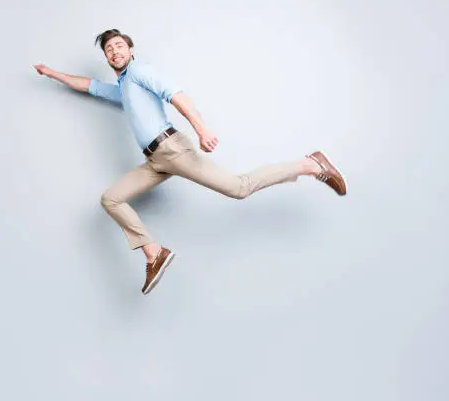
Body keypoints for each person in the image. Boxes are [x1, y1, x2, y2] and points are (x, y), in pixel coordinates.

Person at [33, 29, 347, 295]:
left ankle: (311, 164)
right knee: (111, 199)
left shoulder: (140, 72)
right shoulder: (123, 88)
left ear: (130, 50)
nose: (114, 51)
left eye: (119, 45)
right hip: (156, 160)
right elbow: (87, 85)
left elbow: (176, 95)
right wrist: (51, 74)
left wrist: (201, 129)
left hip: (172, 149)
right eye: (109, 49)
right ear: (107, 58)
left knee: (239, 188)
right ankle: (154, 252)